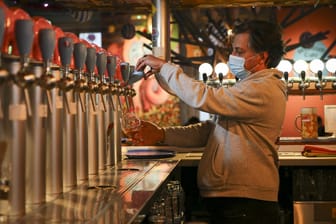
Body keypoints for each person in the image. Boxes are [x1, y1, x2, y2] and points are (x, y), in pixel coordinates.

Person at [135, 19, 286, 224]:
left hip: (247, 204)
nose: (233, 57)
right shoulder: (248, 86)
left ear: (262, 57)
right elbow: (210, 131)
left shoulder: (264, 88)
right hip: (236, 201)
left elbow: (206, 98)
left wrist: (165, 67)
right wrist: (162, 134)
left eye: (239, 51)